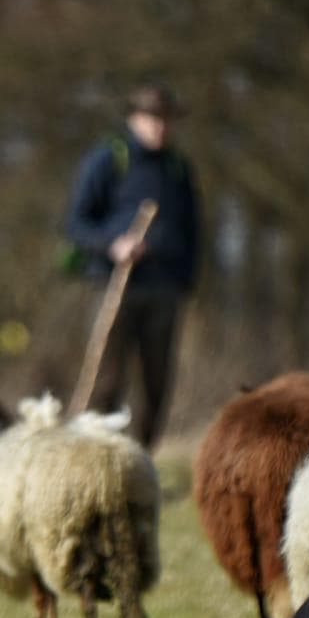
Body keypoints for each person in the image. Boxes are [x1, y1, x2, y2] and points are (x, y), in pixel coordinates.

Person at [63, 83, 200, 450]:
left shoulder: (177, 169)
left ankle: (142, 460)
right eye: (153, 118)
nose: (161, 127)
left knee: (156, 383)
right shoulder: (109, 160)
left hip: (164, 290)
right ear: (134, 119)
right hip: (115, 285)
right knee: (106, 379)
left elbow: (192, 230)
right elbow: (76, 223)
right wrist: (114, 244)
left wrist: (185, 282)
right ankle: (93, 456)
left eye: (167, 119)